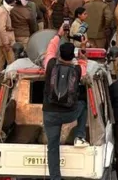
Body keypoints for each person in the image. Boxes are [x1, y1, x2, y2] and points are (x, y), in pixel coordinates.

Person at [43, 27, 88, 180]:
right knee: (83, 105)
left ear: (59, 54)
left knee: (52, 147)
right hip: (69, 113)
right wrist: (83, 51)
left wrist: (59, 34)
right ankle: (79, 136)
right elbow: (84, 64)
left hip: (50, 114)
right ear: (72, 56)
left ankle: (55, 178)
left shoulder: (49, 64)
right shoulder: (78, 69)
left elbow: (50, 48)